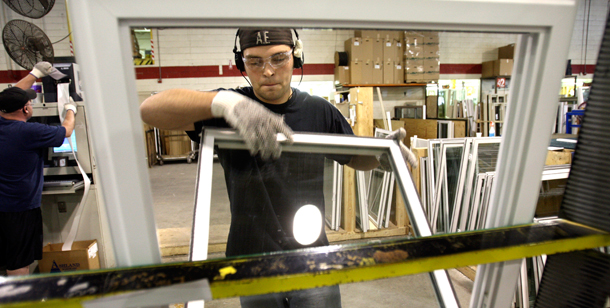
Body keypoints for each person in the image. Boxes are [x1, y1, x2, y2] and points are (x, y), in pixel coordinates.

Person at [140, 28, 415, 307]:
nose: (267, 71)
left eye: (278, 58)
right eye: (254, 62)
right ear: (241, 64)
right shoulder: (231, 108)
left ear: (296, 57)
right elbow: (150, 109)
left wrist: (382, 155)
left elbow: (355, 157)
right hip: (253, 261)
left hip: (311, 256)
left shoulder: (319, 111)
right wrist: (223, 103)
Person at [0, 62, 77, 276]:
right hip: (19, 208)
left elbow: (7, 98)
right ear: (26, 109)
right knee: (18, 260)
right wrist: (71, 110)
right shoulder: (30, 132)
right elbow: (67, 131)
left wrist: (34, 74)